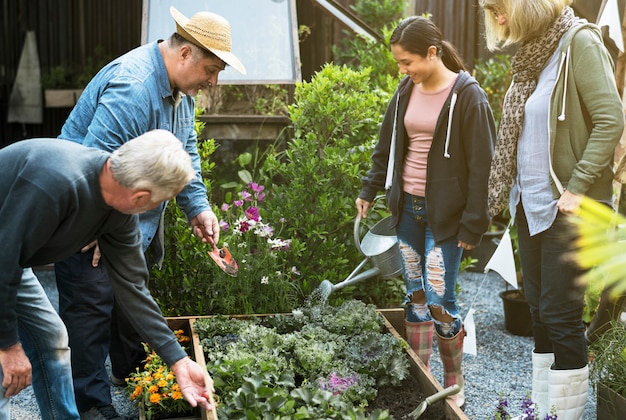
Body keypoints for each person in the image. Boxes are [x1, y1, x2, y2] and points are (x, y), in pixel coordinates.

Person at [54, 7, 245, 419]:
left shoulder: (180, 92)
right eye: (211, 69)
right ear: (185, 55)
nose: (213, 81)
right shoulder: (133, 88)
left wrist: (198, 206)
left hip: (126, 220)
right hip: (86, 218)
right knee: (89, 308)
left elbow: (186, 149)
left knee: (129, 296)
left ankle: (131, 371)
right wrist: (100, 228)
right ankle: (93, 405)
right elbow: (92, 164)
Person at [0, 131, 216, 420]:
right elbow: (3, 262)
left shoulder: (119, 213)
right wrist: (9, 346)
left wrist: (178, 361)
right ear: (141, 196)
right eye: (159, 202)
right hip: (3, 258)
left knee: (50, 338)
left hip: (8, 257)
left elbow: (133, 288)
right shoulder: (56, 183)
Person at [479, 0, 624, 418]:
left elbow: (611, 118)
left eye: (500, 7)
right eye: (490, 10)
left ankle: (566, 415)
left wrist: (577, 187)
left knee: (560, 314)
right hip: (530, 202)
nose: (497, 18)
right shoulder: (532, 56)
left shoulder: (578, 41)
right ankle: (542, 410)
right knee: (539, 311)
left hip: (570, 205)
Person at [356, 16, 496, 409]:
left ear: (432, 53)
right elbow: (386, 145)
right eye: (400, 63)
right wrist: (369, 189)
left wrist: (474, 223)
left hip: (445, 219)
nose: (403, 70)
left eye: (407, 62)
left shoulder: (469, 96)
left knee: (439, 301)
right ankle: (422, 376)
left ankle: (453, 383)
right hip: (408, 213)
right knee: (415, 297)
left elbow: (484, 167)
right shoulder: (405, 90)